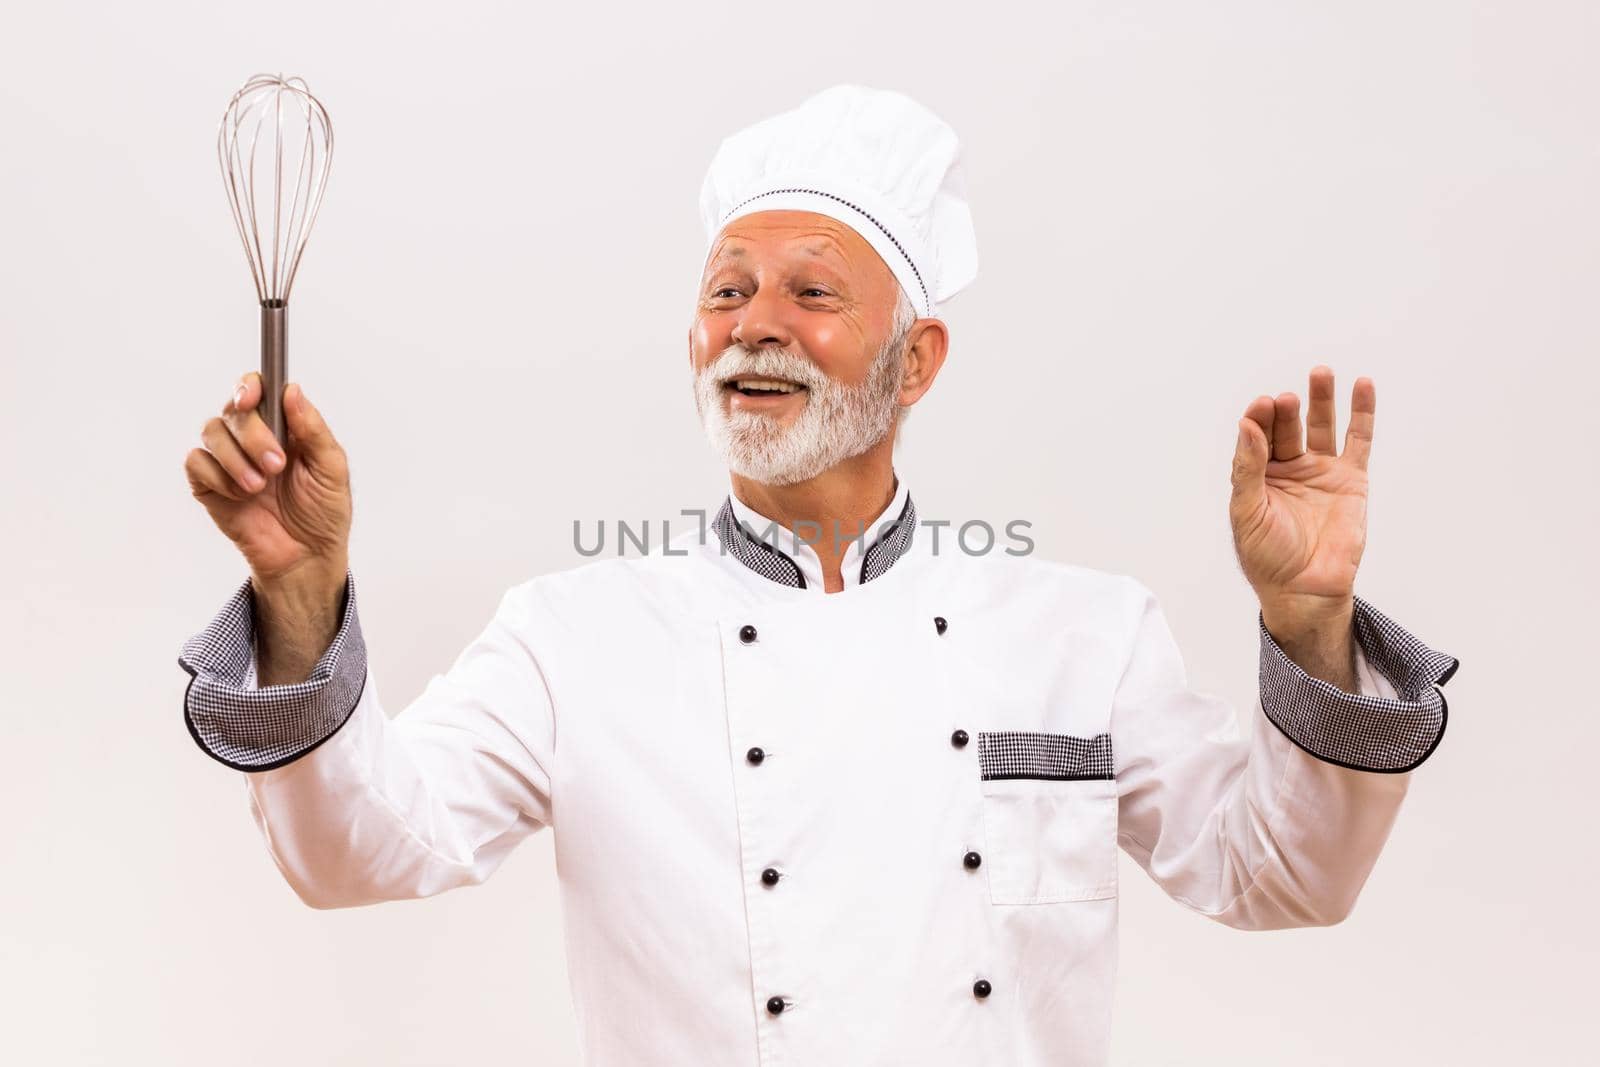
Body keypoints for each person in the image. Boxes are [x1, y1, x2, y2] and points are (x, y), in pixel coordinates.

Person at [178, 85, 1458, 1066]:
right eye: (725, 289)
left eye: (810, 290)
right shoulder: (574, 638)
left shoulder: (1083, 632)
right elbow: (354, 851)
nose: (753, 323)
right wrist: (302, 590)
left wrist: (1309, 622)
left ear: (915, 361)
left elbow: (1284, 876)